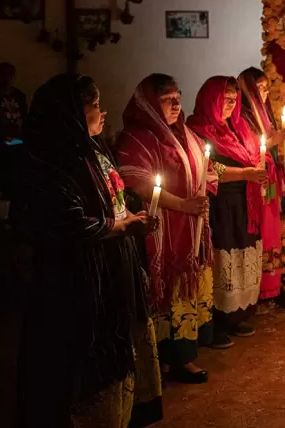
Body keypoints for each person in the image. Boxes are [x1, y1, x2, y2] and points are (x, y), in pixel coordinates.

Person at [16, 74, 161, 427]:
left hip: (110, 263)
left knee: (121, 340)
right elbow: (68, 223)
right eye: (95, 105)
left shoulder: (92, 149)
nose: (103, 111)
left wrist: (130, 215)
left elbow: (113, 197)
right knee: (82, 361)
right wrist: (123, 226)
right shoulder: (52, 162)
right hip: (77, 276)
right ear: (72, 112)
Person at [117, 74, 214, 384]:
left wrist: (202, 191)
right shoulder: (138, 137)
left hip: (189, 225)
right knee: (162, 293)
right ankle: (158, 360)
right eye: (167, 99)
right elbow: (141, 183)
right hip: (161, 228)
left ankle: (182, 358)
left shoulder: (183, 132)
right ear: (148, 103)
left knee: (182, 294)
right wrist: (183, 205)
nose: (176, 104)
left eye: (178, 96)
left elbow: (205, 169)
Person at [187, 76, 269, 348]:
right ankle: (216, 321)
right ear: (210, 99)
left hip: (244, 203)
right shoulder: (197, 129)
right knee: (223, 259)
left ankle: (235, 315)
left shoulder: (237, 127)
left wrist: (258, 172)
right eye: (225, 100)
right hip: (220, 203)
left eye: (234, 100)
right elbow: (210, 169)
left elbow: (254, 156)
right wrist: (247, 173)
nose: (229, 105)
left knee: (242, 257)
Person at [238, 67, 285, 305]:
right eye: (260, 88)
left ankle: (271, 286)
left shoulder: (264, 113)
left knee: (272, 232)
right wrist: (270, 141)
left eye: (267, 88)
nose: (264, 93)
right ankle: (259, 290)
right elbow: (247, 148)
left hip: (270, 180)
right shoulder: (243, 115)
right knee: (263, 233)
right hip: (257, 181)